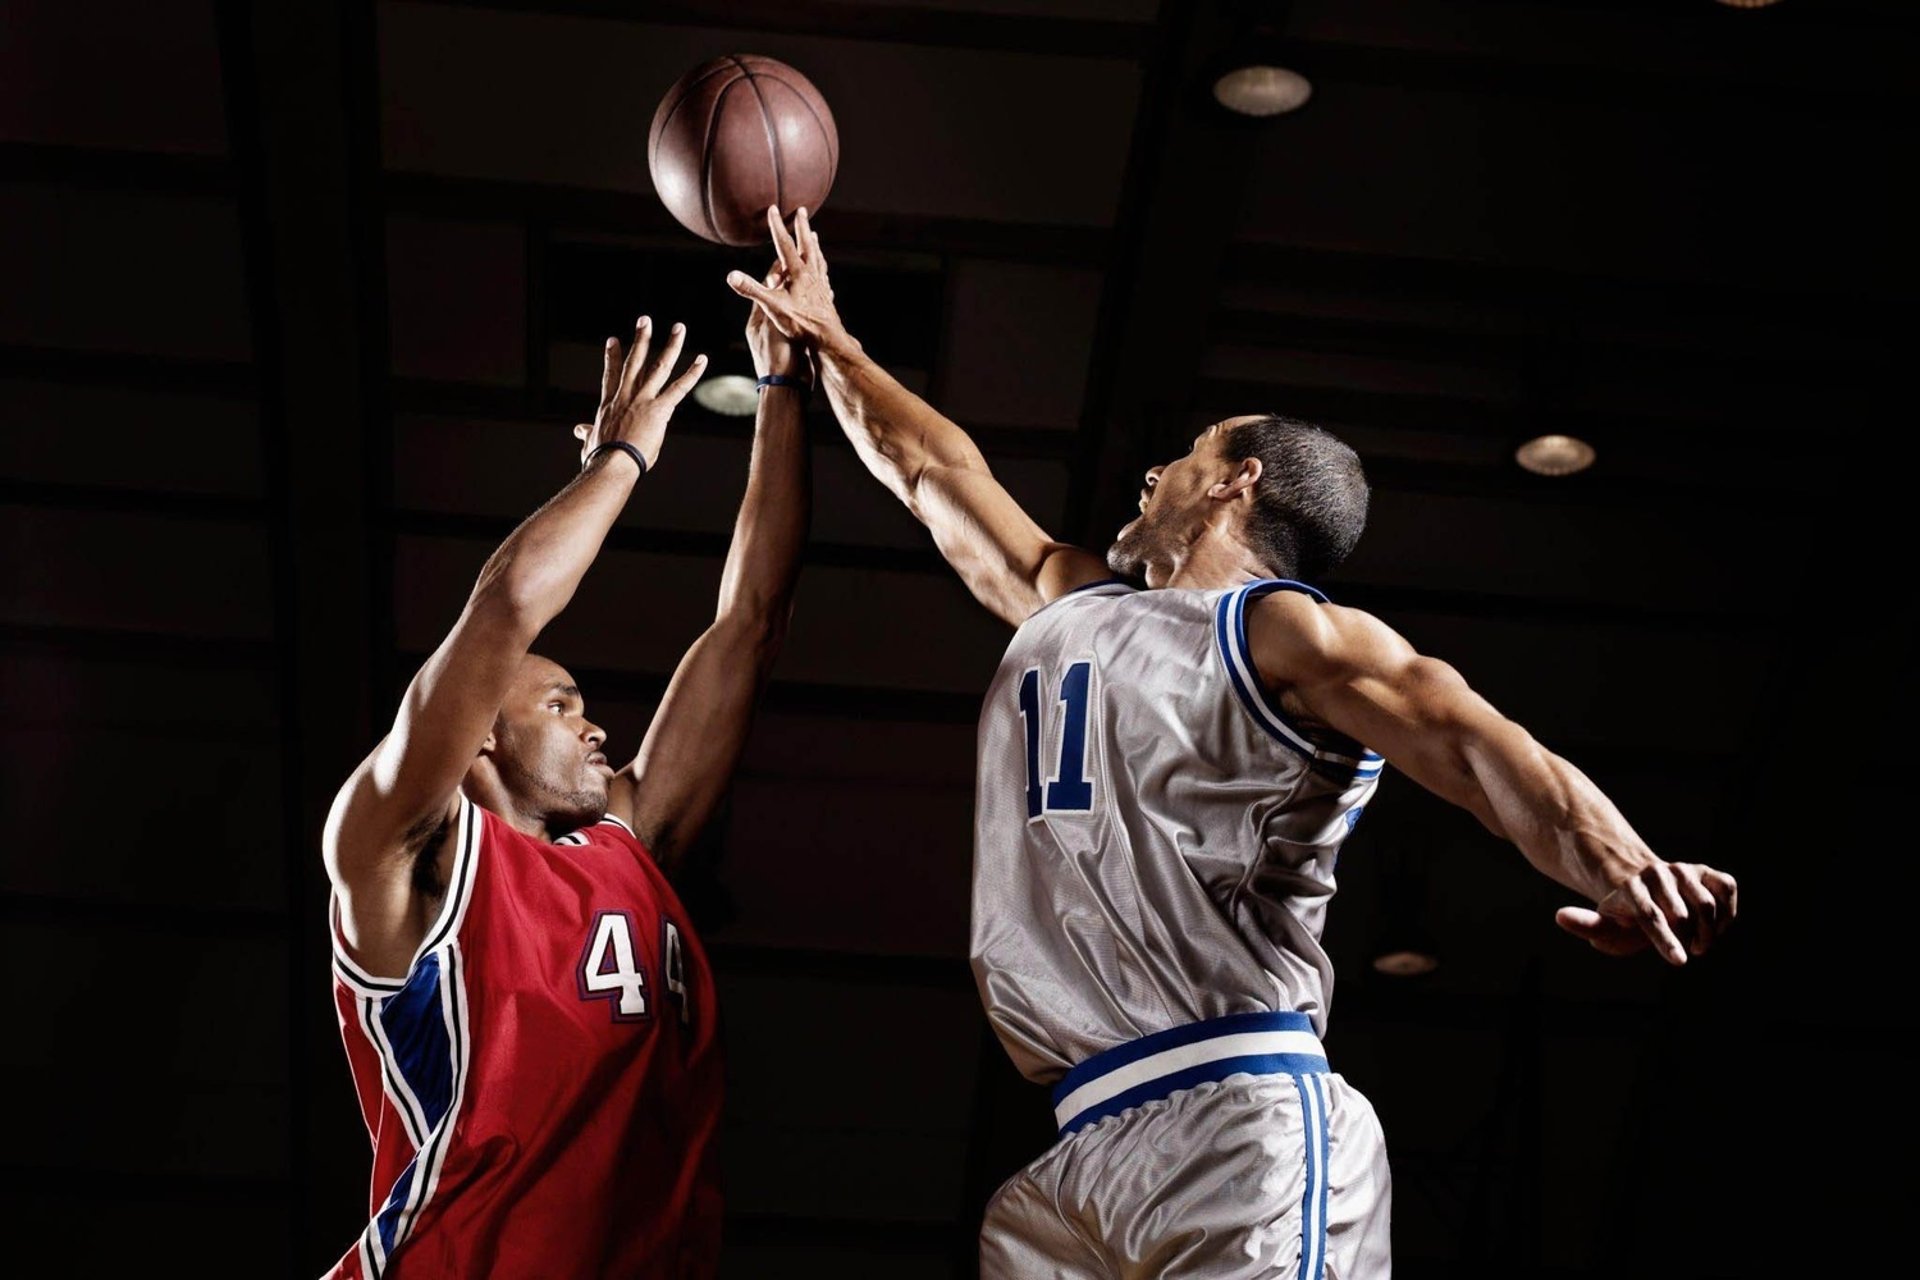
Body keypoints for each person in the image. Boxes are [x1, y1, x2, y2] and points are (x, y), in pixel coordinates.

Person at [730, 207, 1739, 1279]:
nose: (1149, 476)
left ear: (1233, 481)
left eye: (1180, 458)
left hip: (1237, 1119)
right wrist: (829, 345)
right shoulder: (1064, 605)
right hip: (1075, 1154)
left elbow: (1472, 738)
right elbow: (936, 473)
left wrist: (1622, 862)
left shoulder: (1280, 628)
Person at [319, 282, 812, 1279]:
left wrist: (784, 383)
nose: (594, 725)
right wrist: (621, 457)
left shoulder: (631, 841)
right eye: (559, 705)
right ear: (478, 739)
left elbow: (750, 618)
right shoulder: (397, 854)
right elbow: (503, 610)